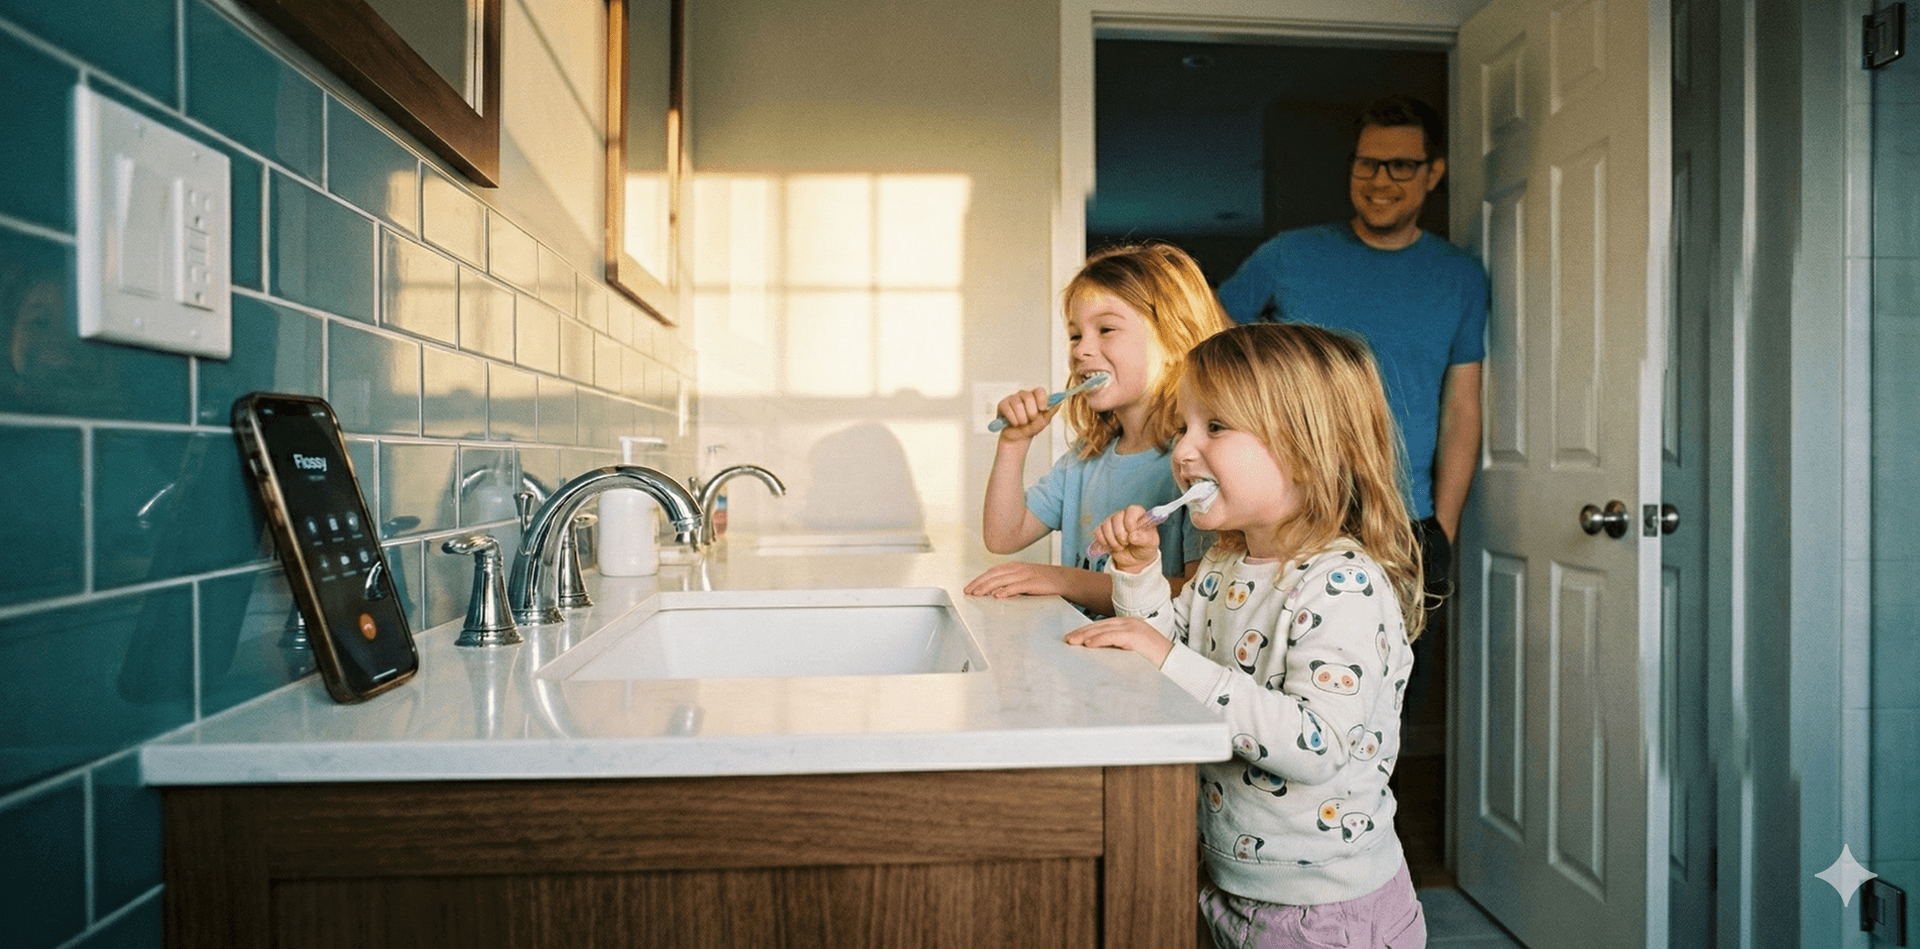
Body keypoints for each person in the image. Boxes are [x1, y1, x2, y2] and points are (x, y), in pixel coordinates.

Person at [1066, 323, 1427, 949]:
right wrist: (1140, 576)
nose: (1182, 450)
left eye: (1216, 427)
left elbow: (1316, 743)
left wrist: (1166, 656)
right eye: (1183, 427)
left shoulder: (1340, 584)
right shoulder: (1224, 565)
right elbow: (1168, 665)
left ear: (1308, 448)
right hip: (1235, 883)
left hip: (1326, 911)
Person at [1215, 95, 1484, 622]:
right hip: (1295, 513)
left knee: (1395, 692)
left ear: (1433, 174)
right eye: (1367, 163)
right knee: (1276, 681)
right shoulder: (1286, 256)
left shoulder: (1460, 276)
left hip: (1406, 521)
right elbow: (1209, 346)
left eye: (1401, 166)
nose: (1380, 180)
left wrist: (1443, 532)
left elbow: (1462, 410)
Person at [965, 242, 1228, 617]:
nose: (1080, 350)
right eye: (1075, 335)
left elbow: (1194, 598)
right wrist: (1014, 443)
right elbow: (1004, 536)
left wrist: (1062, 580)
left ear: (1173, 338)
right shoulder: (1086, 460)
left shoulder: (1194, 465)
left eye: (1105, 329)